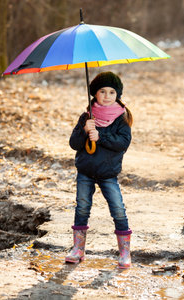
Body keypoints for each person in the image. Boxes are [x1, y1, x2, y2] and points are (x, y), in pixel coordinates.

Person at [66, 71, 133, 269]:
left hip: (108, 173)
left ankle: (125, 252)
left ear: (117, 95)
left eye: (112, 92)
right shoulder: (87, 117)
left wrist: (100, 137)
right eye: (102, 91)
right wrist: (85, 131)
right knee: (82, 207)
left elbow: (123, 143)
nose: (106, 95)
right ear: (94, 94)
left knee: (118, 209)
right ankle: (78, 249)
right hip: (86, 171)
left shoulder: (122, 118)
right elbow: (73, 143)